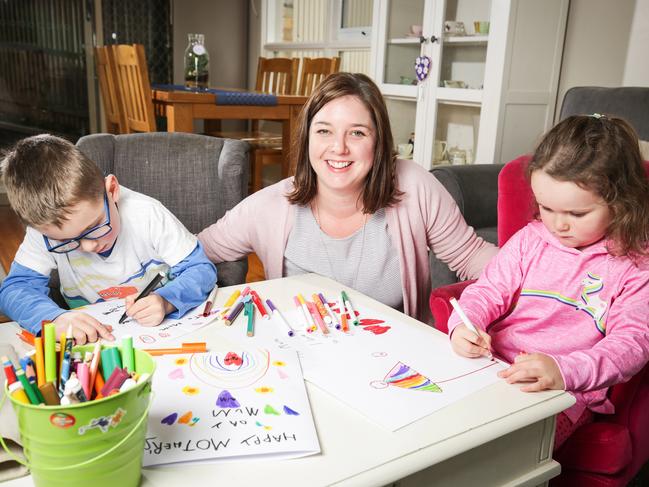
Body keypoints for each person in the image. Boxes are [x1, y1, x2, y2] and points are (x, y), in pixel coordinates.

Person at [198, 72, 497, 322]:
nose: (338, 148)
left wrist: (539, 273)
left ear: (378, 142)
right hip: (301, 367)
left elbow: (473, 257)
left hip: (395, 369)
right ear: (307, 139)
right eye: (324, 131)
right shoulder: (268, 207)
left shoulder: (415, 187)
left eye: (357, 133)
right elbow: (191, 251)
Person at [448, 114, 649, 449]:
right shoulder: (531, 239)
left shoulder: (635, 266)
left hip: (563, 392)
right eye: (546, 208)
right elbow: (486, 291)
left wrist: (563, 371)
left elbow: (630, 346)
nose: (558, 225)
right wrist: (463, 324)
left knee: (498, 455)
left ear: (620, 202)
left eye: (577, 214)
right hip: (494, 367)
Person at [0, 134, 217, 343]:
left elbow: (200, 270)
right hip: (95, 345)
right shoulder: (44, 234)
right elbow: (14, 290)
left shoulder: (147, 214)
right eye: (66, 242)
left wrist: (167, 300)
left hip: (165, 331)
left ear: (112, 190)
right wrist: (54, 320)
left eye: (94, 226)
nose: (88, 246)